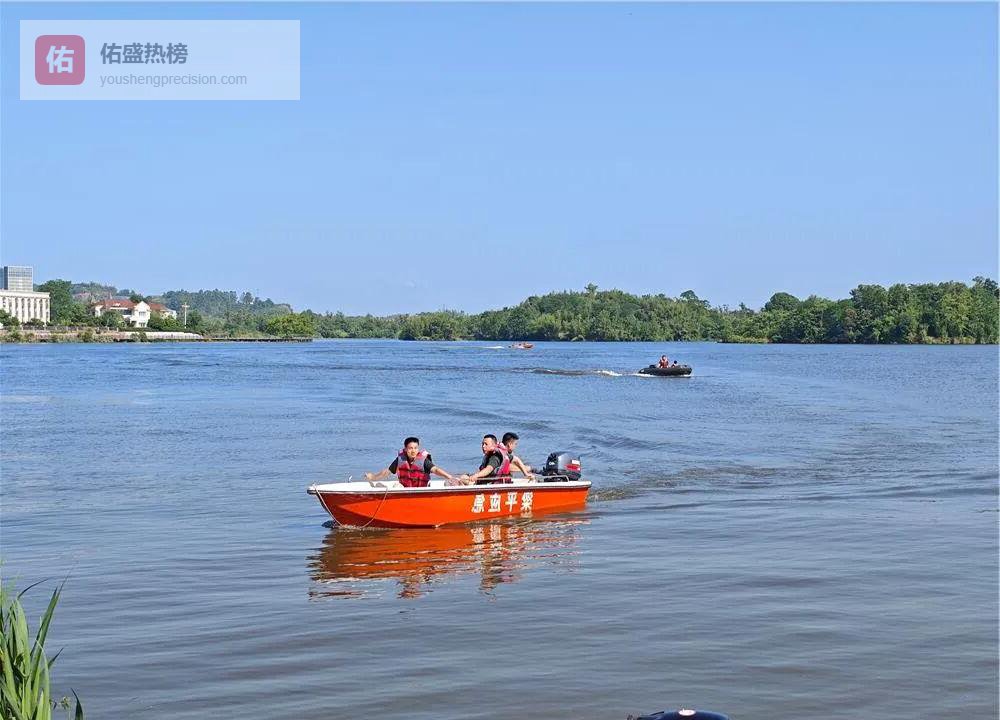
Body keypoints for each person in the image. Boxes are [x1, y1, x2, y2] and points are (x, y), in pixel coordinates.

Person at [364, 436, 455, 488]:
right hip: (405, 490)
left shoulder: (423, 460)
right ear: (405, 449)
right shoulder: (400, 460)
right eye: (410, 448)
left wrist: (449, 477)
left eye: (415, 448)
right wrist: (373, 477)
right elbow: (387, 472)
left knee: (450, 483)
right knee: (396, 486)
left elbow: (435, 470)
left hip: (421, 491)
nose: (413, 451)